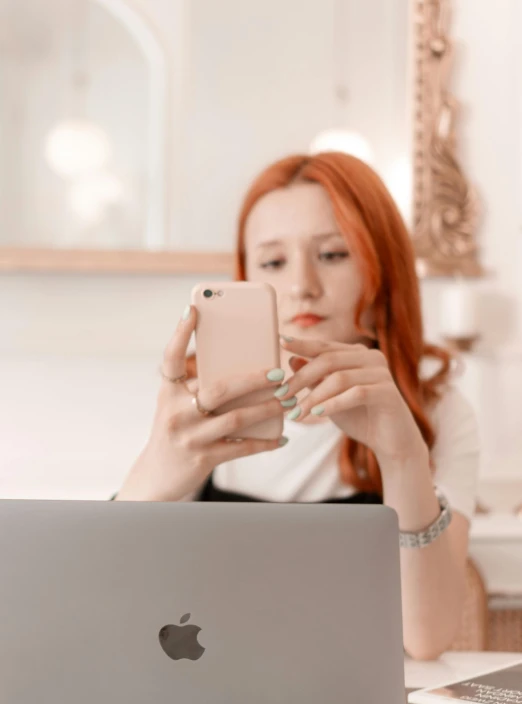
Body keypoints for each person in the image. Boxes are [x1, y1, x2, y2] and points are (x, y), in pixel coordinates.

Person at [116, 152, 480, 660]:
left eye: (332, 254)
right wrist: (153, 473)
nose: (301, 285)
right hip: (212, 689)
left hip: (351, 701)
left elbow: (425, 639)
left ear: (383, 271)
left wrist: (403, 458)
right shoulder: (200, 401)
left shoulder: (436, 408)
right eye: (272, 262)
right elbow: (107, 601)